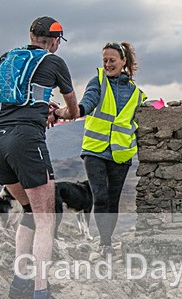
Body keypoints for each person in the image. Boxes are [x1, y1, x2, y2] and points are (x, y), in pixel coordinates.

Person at [0, 16, 80, 299]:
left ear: (30, 35)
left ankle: (19, 284)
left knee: (28, 210)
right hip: (25, 141)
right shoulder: (54, 63)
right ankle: (41, 294)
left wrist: (42, 108)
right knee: (46, 217)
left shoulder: (6, 58)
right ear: (54, 41)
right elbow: (73, 110)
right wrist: (57, 112)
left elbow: (12, 98)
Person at [60, 42, 146, 258]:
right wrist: (75, 110)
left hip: (121, 153)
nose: (107, 64)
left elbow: (141, 116)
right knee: (99, 196)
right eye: (105, 61)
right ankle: (105, 244)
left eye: (112, 60)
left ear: (123, 61)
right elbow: (88, 103)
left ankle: (107, 241)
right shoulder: (98, 82)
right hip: (95, 150)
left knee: (112, 199)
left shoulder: (136, 93)